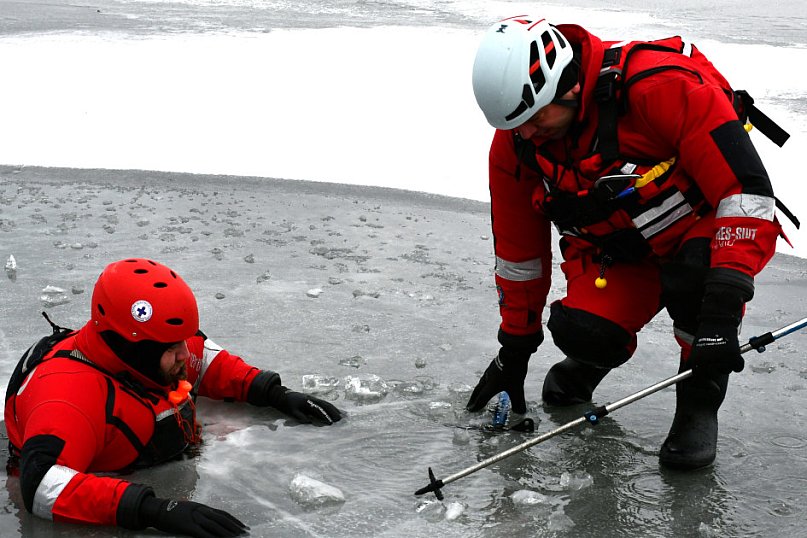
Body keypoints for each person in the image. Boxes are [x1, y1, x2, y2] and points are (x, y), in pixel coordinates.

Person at [465, 15, 793, 470]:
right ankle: (588, 362)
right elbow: (519, 256)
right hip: (619, 253)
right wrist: (514, 351)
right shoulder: (518, 144)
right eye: (515, 125)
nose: (525, 135)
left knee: (696, 283)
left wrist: (723, 308)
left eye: (535, 119)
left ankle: (698, 399)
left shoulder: (664, 88)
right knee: (583, 331)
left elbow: (746, 194)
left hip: (701, 234)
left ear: (570, 86)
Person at [4, 258, 342, 537]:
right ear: (131, 348)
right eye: (172, 346)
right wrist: (152, 509)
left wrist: (273, 392)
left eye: (182, 340)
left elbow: (204, 358)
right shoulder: (68, 397)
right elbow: (42, 486)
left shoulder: (146, 352)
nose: (185, 352)